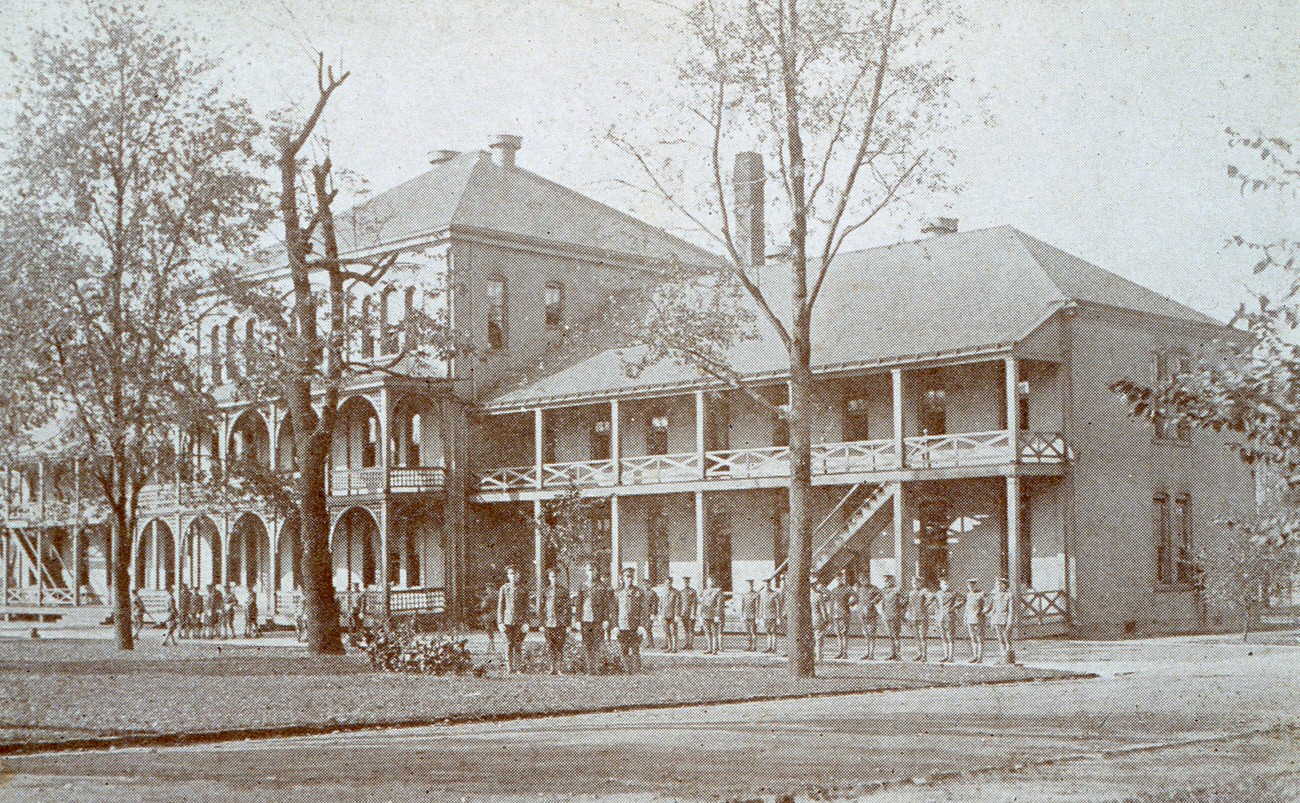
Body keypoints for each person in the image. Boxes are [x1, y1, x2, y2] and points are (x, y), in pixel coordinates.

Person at [571, 562, 611, 674]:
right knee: (587, 644)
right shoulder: (582, 585)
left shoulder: (602, 586)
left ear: (596, 571)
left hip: (598, 620)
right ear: (586, 571)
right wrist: (577, 620)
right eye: (589, 570)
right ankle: (589, 669)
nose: (591, 573)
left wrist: (606, 620)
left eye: (593, 570)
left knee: (597, 644)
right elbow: (578, 604)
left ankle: (596, 669)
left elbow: (606, 605)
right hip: (585, 619)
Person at [537, 567, 570, 674]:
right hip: (548, 622)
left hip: (560, 623)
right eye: (552, 576)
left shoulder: (563, 591)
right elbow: (541, 608)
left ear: (558, 577)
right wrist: (541, 623)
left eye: (555, 576)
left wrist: (568, 624)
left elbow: (568, 608)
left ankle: (559, 669)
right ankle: (552, 668)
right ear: (549, 577)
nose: (554, 578)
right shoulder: (545, 591)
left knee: (560, 646)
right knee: (550, 646)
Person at [613, 566, 645, 673]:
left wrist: (642, 625)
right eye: (627, 576)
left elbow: (643, 609)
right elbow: (614, 611)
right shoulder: (617, 592)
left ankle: (636, 671)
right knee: (624, 648)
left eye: (631, 576)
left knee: (635, 648)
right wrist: (615, 626)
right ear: (622, 578)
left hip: (635, 625)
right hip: (622, 625)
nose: (630, 579)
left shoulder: (639, 592)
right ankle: (627, 670)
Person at [497, 566, 529, 674]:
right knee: (508, 644)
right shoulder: (504, 588)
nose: (513, 576)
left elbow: (526, 608)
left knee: (518, 644)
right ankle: (509, 668)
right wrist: (500, 622)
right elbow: (500, 606)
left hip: (519, 621)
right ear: (508, 575)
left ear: (519, 575)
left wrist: (526, 622)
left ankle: (518, 667)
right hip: (507, 621)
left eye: (515, 574)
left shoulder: (523, 589)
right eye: (511, 574)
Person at [825, 569, 857, 659]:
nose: (838, 580)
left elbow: (855, 597)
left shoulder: (847, 588)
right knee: (838, 634)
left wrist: (850, 603)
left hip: (844, 613)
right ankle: (840, 651)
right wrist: (830, 613)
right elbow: (831, 603)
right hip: (835, 615)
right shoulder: (834, 590)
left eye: (839, 578)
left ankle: (845, 653)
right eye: (836, 578)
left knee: (844, 633)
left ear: (842, 578)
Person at [930, 577, 961, 663]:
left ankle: (951, 657)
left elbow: (963, 599)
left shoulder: (953, 593)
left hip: (950, 617)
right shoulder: (938, 594)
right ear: (940, 585)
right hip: (940, 618)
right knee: (943, 637)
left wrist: (954, 607)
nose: (945, 586)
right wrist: (936, 617)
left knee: (950, 637)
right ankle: (945, 656)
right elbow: (936, 606)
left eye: (947, 584)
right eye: (943, 584)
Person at [855, 572, 882, 660]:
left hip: (871, 614)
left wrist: (873, 601)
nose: (863, 581)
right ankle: (867, 652)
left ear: (868, 579)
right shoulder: (859, 589)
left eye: (865, 579)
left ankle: (871, 654)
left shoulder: (873, 588)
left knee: (871, 634)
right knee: (865, 634)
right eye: (861, 580)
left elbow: (880, 595)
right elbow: (857, 599)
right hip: (862, 614)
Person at [990, 577, 1017, 664]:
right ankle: (1003, 657)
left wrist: (1010, 621)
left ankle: (1008, 658)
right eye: (998, 584)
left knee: (1007, 638)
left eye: (1001, 584)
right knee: (1000, 639)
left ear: (1005, 585)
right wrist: (992, 620)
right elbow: (994, 609)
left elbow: (1011, 610)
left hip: (1005, 619)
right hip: (997, 619)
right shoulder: (996, 596)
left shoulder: (1009, 595)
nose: (999, 586)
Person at [904, 576, 930, 662]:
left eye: (916, 583)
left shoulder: (924, 591)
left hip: (922, 617)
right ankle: (919, 654)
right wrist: (907, 613)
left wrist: (925, 606)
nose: (914, 585)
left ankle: (924, 656)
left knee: (923, 637)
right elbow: (908, 604)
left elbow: (931, 598)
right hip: (913, 616)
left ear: (920, 583)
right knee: (916, 637)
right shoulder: (911, 592)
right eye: (913, 583)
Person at [964, 578, 989, 663]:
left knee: (979, 638)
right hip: (970, 618)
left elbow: (989, 603)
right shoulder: (968, 594)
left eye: (973, 585)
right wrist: (965, 617)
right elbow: (967, 607)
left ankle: (980, 657)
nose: (971, 587)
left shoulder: (981, 594)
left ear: (975, 585)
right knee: (972, 637)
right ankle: (975, 656)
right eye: (969, 585)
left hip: (978, 618)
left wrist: (983, 611)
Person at [699, 575, 725, 655]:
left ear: (714, 582)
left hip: (714, 615)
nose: (710, 583)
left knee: (714, 632)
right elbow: (701, 603)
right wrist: (700, 615)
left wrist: (717, 615)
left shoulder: (718, 591)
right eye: (708, 581)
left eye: (711, 581)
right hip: (705, 614)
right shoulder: (704, 591)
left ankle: (714, 649)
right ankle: (709, 648)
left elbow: (719, 604)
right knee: (707, 632)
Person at [878, 574, 902, 660]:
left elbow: (905, 598)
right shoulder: (883, 590)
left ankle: (898, 655)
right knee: (890, 636)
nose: (886, 582)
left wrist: (901, 607)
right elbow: (876, 600)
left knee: (896, 635)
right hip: (886, 616)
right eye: (885, 581)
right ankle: (892, 654)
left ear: (892, 581)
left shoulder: (897, 590)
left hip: (895, 615)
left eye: (888, 580)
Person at [658, 576, 681, 653]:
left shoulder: (676, 592)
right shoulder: (663, 592)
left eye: (670, 583)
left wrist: (677, 615)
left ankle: (674, 648)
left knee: (673, 631)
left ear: (672, 583)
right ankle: (669, 646)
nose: (668, 584)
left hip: (673, 615)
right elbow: (660, 603)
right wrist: (660, 613)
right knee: (667, 631)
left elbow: (678, 604)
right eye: (667, 583)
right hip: (664, 614)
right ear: (665, 583)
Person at [759, 577, 782, 654]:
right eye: (765, 584)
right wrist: (760, 617)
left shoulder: (775, 594)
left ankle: (773, 648)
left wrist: (778, 617)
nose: (767, 586)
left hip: (773, 616)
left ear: (770, 584)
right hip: (765, 616)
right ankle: (769, 647)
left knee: (773, 632)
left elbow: (778, 606)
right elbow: (761, 606)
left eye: (768, 584)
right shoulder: (762, 594)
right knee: (768, 632)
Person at [810, 577, 829, 662]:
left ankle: (813, 655)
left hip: (810, 618)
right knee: (819, 639)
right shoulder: (819, 596)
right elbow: (823, 610)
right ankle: (819, 657)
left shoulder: (808, 596)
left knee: (813, 638)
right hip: (818, 618)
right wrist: (826, 619)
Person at [678, 575, 699, 651]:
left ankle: (691, 644)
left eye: (687, 582)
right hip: (684, 613)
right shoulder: (681, 592)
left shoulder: (692, 591)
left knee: (691, 629)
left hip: (691, 613)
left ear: (689, 582)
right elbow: (679, 604)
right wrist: (679, 614)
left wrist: (693, 613)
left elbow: (694, 603)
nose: (686, 583)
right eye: (684, 582)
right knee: (686, 629)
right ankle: (686, 643)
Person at [740, 579, 760, 651]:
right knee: (747, 631)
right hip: (746, 615)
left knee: (753, 631)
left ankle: (754, 647)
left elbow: (757, 606)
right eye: (748, 585)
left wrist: (757, 617)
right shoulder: (744, 595)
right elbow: (742, 606)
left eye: (750, 585)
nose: (749, 587)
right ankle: (749, 646)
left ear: (752, 586)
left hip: (753, 615)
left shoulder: (756, 595)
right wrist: (742, 615)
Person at [478, 582, 498, 653]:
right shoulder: (498, 595)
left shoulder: (487, 597)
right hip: (498, 615)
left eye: (488, 589)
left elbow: (483, 607)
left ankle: (491, 648)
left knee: (489, 632)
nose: (487, 590)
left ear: (490, 589)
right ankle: (491, 648)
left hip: (489, 615)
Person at [641, 571, 657, 650]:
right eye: (644, 584)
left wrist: (653, 613)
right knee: (645, 628)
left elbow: (655, 604)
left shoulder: (652, 593)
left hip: (649, 613)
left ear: (649, 584)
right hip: (642, 613)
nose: (645, 586)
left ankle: (651, 643)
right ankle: (648, 643)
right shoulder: (641, 592)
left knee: (648, 628)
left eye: (646, 584)